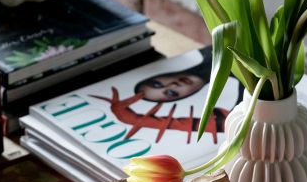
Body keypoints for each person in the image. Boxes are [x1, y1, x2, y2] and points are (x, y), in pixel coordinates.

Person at [88, 48, 237, 144]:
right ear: (183, 97)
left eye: (158, 84)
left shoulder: (210, 49)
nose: (173, 85)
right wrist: (135, 120)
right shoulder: (247, 96)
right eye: (172, 93)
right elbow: (226, 125)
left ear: (162, 74)